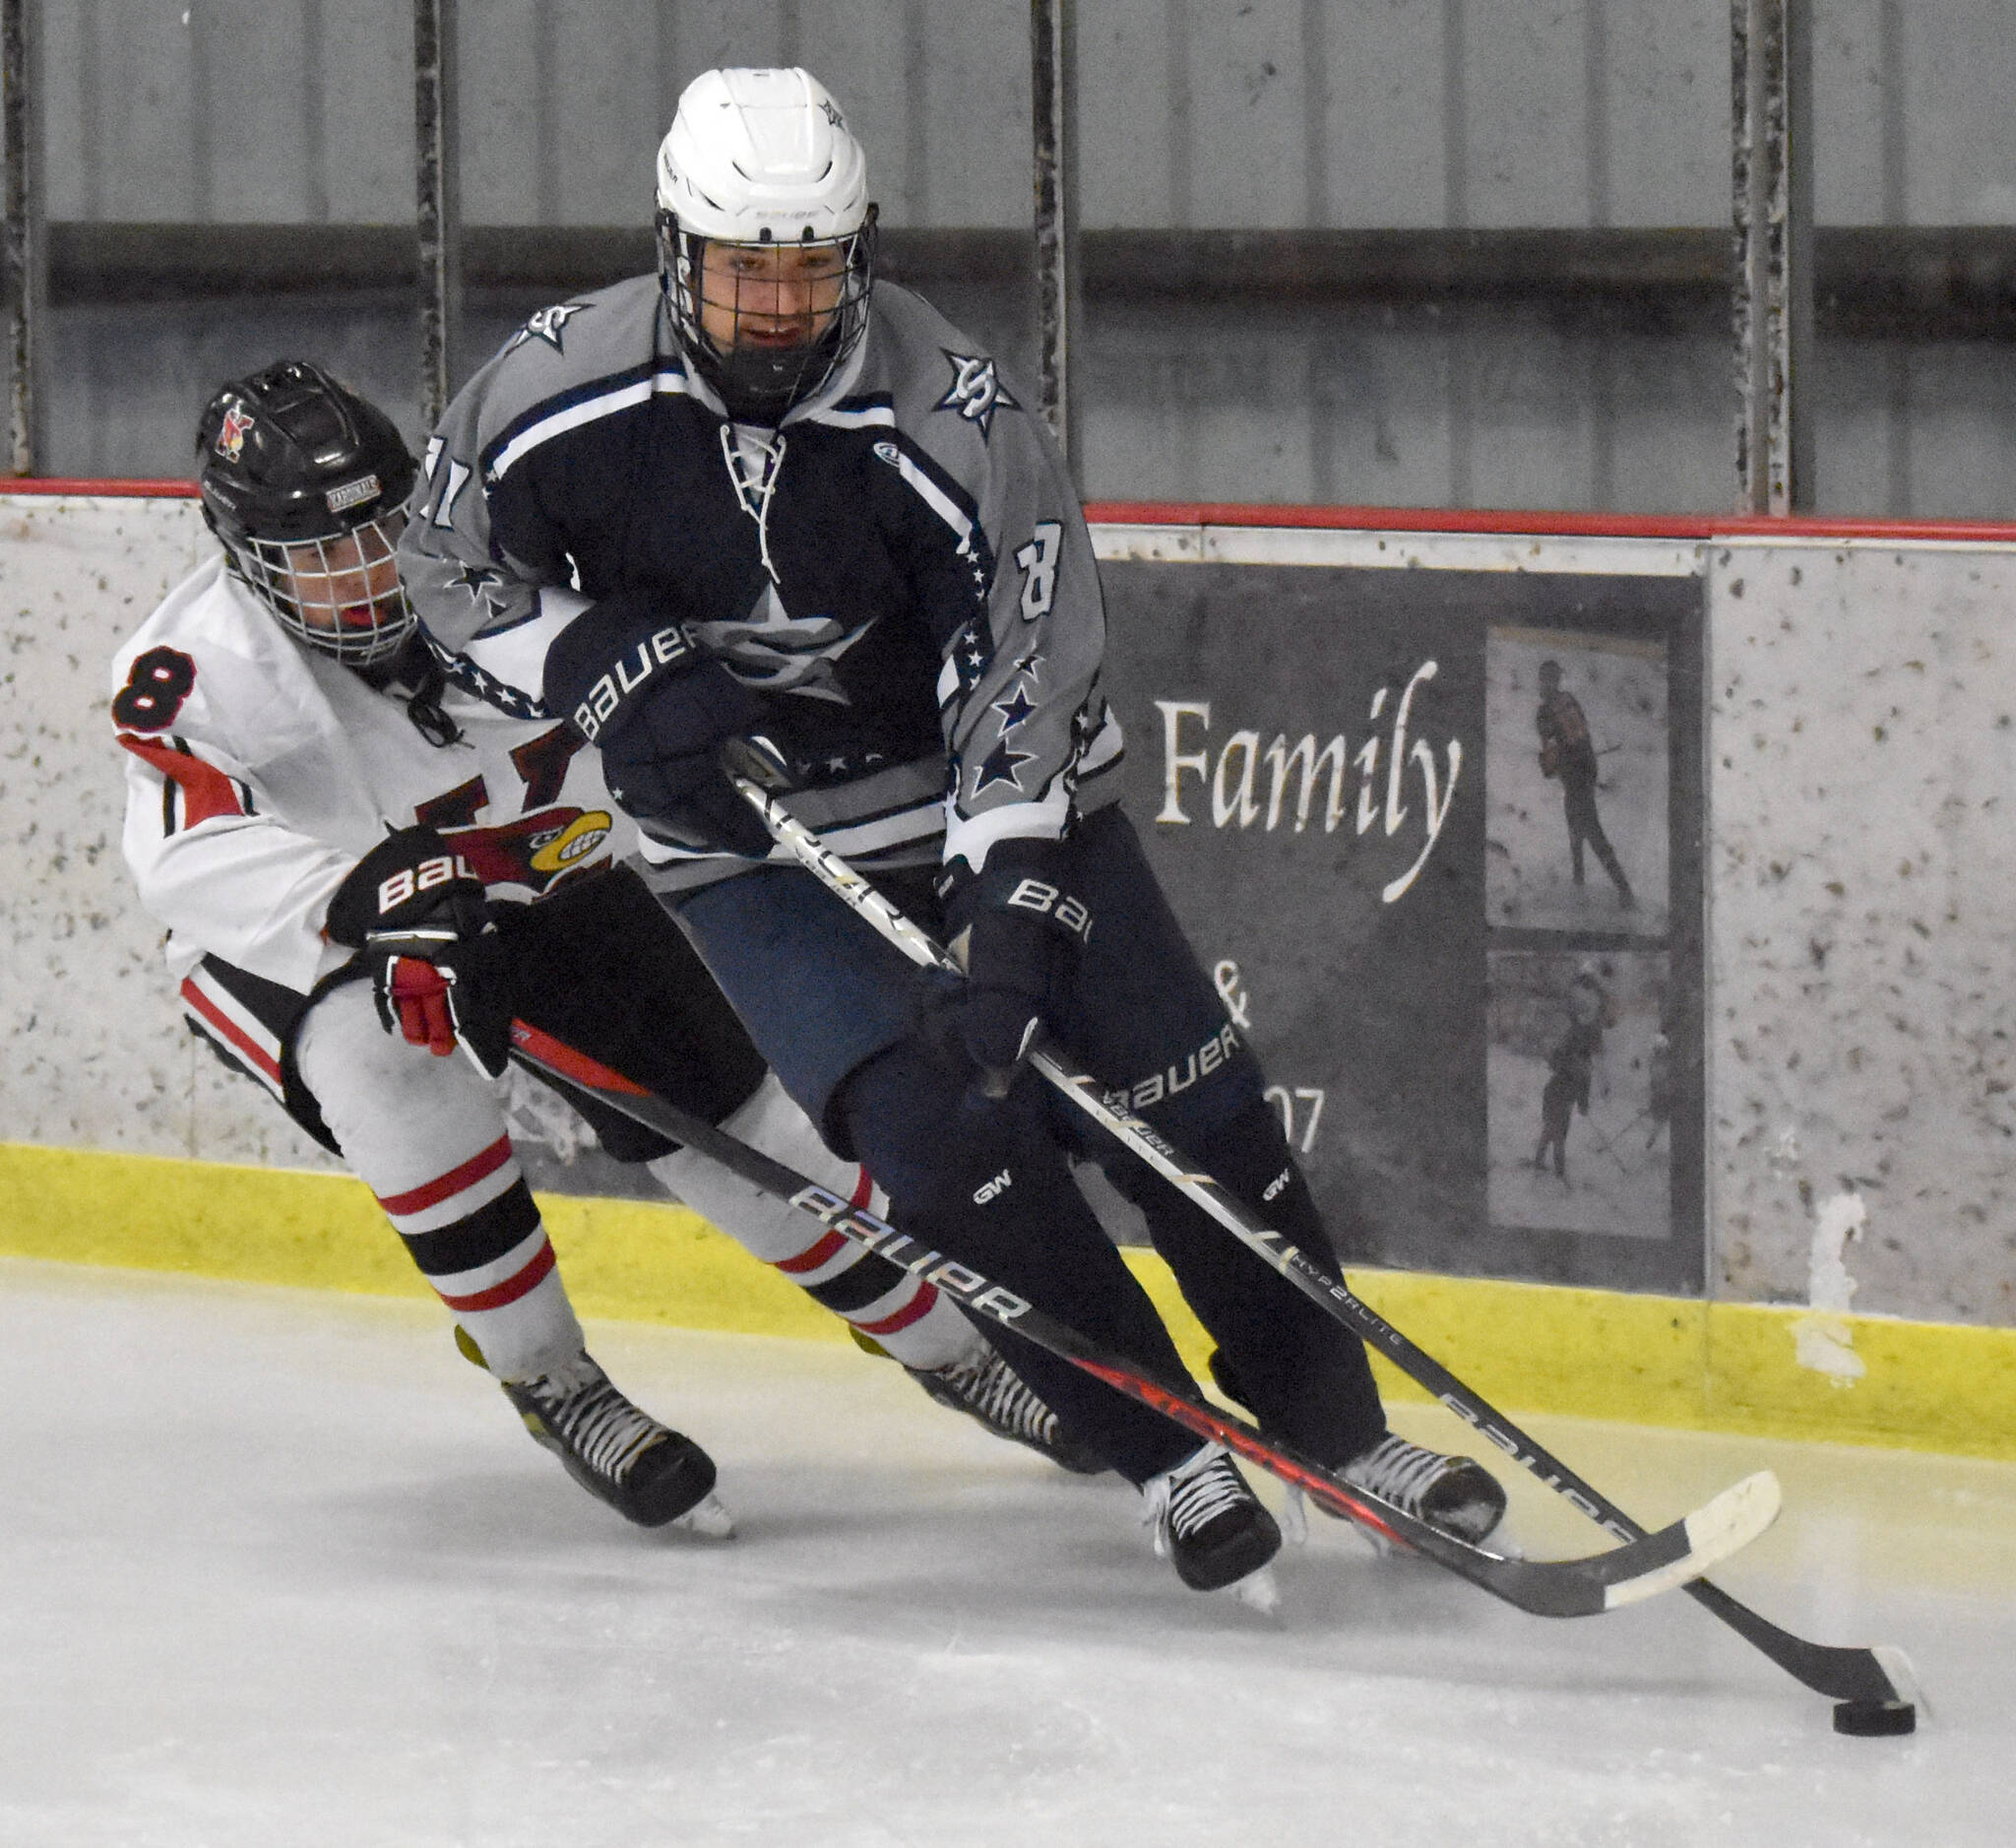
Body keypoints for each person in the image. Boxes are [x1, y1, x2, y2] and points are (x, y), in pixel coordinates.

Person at [400, 68, 1505, 1595]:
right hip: (749, 854)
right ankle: (1166, 1454)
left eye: (809, 266)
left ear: (859, 249)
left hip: (990, 804)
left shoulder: (951, 407)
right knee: (945, 1150)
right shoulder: (553, 388)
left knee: (1199, 1112)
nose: (779, 304)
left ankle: (1339, 1429)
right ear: (676, 250)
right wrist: (597, 661)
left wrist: (1019, 889)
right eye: (743, 268)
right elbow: (442, 566)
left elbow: (1026, 659)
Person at [110, 359, 1090, 1537]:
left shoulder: (505, 570)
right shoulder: (203, 671)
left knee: (743, 1125)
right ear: (245, 557)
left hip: (536, 883)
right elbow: (181, 856)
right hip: (303, 941)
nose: (367, 573)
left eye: (378, 531)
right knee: (388, 1056)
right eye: (321, 554)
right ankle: (548, 1374)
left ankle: (953, 1350)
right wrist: (367, 899)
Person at [1536, 659, 1635, 911]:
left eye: (1543, 680)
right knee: (1577, 828)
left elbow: (1550, 760)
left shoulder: (1545, 711)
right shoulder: (1569, 700)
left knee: (1590, 832)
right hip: (1587, 770)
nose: (1541, 685)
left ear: (1546, 681)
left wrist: (1548, 764)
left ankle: (1624, 890)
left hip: (1573, 777)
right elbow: (1583, 736)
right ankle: (1579, 885)